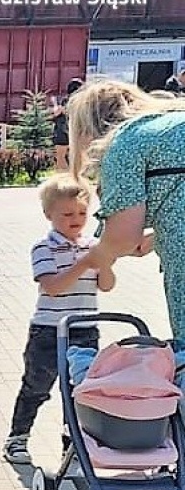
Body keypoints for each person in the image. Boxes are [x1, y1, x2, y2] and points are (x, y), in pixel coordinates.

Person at [2, 175, 113, 465]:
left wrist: (102, 262)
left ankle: (73, 447)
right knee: (37, 385)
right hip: (49, 330)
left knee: (79, 391)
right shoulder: (44, 247)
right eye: (67, 214)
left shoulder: (93, 246)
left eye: (81, 213)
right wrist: (83, 264)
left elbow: (107, 284)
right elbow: (51, 286)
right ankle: (17, 438)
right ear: (49, 215)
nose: (75, 219)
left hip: (84, 330)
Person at [68, 79, 182, 335]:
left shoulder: (126, 141)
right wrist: (159, 236)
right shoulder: (172, 124)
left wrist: (102, 253)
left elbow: (123, 237)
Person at [51, 78, 83, 172]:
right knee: (77, 156)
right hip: (76, 132)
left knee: (60, 156)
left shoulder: (66, 100)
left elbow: (57, 113)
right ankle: (74, 175)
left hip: (63, 131)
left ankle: (62, 175)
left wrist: (57, 108)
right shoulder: (81, 101)